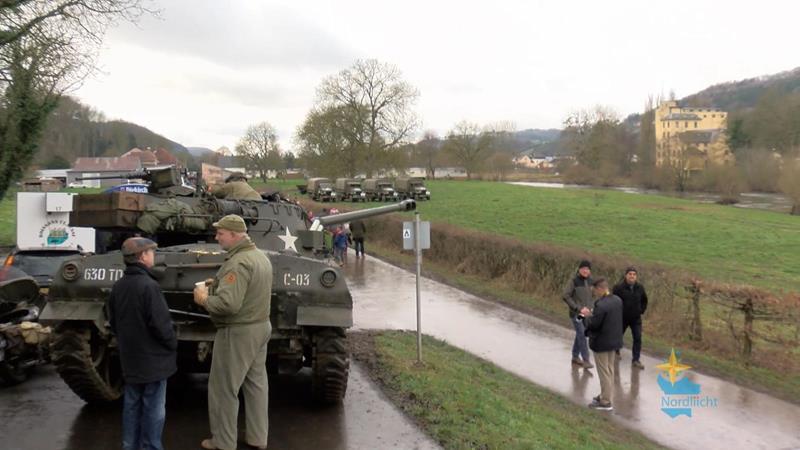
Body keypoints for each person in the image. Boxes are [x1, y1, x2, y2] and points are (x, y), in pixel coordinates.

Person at [193, 215, 273, 450]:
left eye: (221, 233)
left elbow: (228, 305)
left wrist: (205, 299)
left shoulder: (237, 263)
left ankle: (223, 441)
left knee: (223, 389)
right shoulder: (260, 256)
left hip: (238, 332)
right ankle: (258, 438)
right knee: (256, 385)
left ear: (235, 235)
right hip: (261, 327)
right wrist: (217, 284)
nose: (216, 237)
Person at [108, 237, 177, 450]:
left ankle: (129, 446)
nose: (153, 256)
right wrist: (171, 342)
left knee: (131, 405)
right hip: (154, 361)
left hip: (130, 357)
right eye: (151, 252)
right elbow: (160, 324)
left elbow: (112, 320)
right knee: (154, 410)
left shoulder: (118, 286)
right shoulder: (149, 286)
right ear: (142, 256)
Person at [581, 277, 624, 411]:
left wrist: (586, 316)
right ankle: (605, 395)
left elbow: (594, 325)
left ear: (600, 289)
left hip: (601, 342)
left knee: (604, 371)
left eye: (594, 291)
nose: (594, 293)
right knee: (610, 370)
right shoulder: (617, 300)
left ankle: (605, 401)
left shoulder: (601, 305)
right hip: (614, 341)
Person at [612, 266, 649, 369]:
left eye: (634, 274)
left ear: (636, 276)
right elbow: (613, 301)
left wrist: (641, 310)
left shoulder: (640, 288)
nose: (632, 276)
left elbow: (644, 300)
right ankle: (616, 351)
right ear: (626, 275)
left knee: (638, 338)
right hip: (622, 317)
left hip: (635, 318)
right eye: (630, 274)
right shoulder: (618, 287)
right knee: (618, 335)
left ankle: (636, 360)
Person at [562, 260, 594, 369]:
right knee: (582, 334)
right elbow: (565, 296)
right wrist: (578, 308)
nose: (585, 271)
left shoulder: (591, 282)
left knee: (581, 334)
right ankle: (586, 360)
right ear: (579, 269)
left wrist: (592, 308)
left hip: (587, 314)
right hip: (577, 314)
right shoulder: (574, 281)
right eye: (583, 268)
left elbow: (593, 297)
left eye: (587, 269)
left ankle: (575, 357)